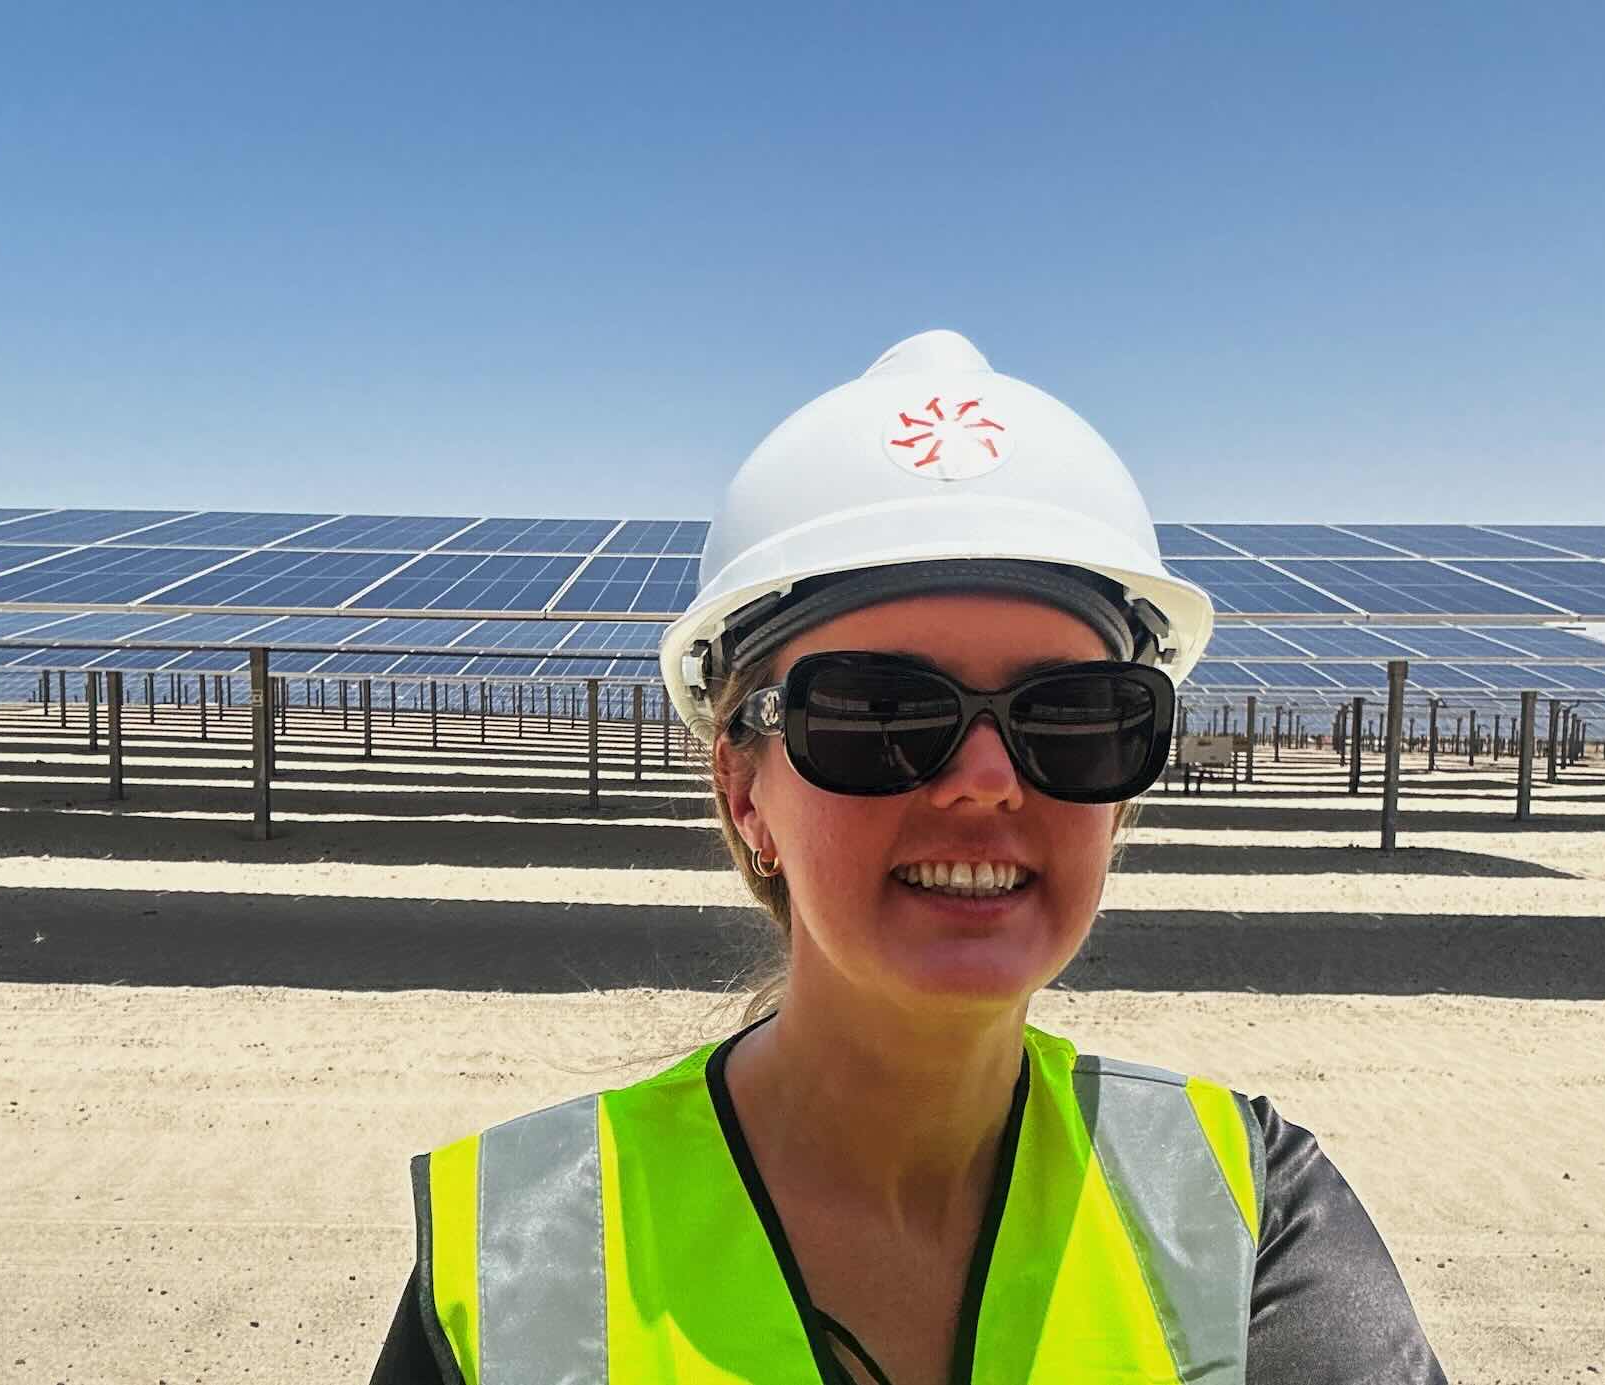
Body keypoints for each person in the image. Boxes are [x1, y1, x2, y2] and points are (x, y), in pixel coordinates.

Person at [371, 330, 1446, 1383]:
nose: (984, 777)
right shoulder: (519, 1258)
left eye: (1071, 715)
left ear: (1119, 802)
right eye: (879, 710)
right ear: (744, 789)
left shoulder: (1243, 1202)